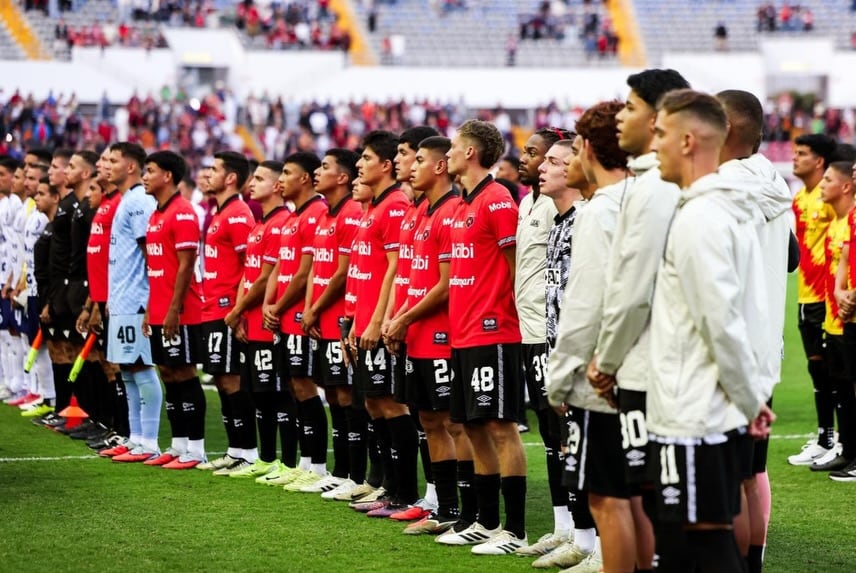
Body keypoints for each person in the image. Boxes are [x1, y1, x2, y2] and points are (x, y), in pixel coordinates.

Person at [647, 88, 771, 572]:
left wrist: (746, 399)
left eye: (661, 133)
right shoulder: (713, 208)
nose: (653, 145)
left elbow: (721, 320)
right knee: (694, 540)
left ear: (689, 141)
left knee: (697, 541)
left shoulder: (703, 217)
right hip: (697, 404)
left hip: (693, 409)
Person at [586, 68, 689, 573]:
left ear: (657, 117)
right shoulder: (664, 187)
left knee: (661, 503)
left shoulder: (651, 191)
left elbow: (631, 291)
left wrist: (605, 361)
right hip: (661, 366)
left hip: (649, 370)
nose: (622, 115)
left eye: (629, 106)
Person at [546, 101, 634, 573]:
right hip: (638, 369)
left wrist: (561, 377)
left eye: (571, 150)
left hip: (603, 375)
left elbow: (586, 303)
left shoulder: (598, 213)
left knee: (609, 497)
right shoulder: (642, 200)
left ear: (589, 151)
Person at [436, 119, 528, 554]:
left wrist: (511, 320)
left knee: (501, 426)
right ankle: (485, 522)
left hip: (494, 332)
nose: (448, 154)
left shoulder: (498, 200)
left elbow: (516, 270)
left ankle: (514, 530)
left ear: (471, 152)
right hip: (461, 333)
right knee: (470, 424)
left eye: (454, 147)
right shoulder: (458, 205)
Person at [717, 89, 794, 573]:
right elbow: (790, 259)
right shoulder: (773, 178)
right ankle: (752, 564)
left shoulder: (721, 186)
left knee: (722, 479)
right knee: (753, 472)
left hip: (727, 353)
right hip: (765, 350)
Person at [384, 136, 473, 534]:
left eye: (418, 159)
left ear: (439, 167)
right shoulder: (422, 213)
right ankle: (445, 508)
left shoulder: (452, 210)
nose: (411, 166)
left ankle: (467, 511)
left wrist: (401, 318)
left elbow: (446, 284)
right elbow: (413, 279)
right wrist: (397, 319)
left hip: (442, 336)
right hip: (417, 333)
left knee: (453, 424)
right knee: (429, 421)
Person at [346, 130, 421, 517]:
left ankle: (404, 491)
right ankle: (387, 486)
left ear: (386, 164)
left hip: (378, 323)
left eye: (366, 157)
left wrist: (378, 321)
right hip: (363, 323)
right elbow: (363, 272)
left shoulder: (393, 206)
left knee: (391, 405)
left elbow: (394, 268)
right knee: (374, 404)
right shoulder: (375, 207)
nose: (359, 164)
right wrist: (353, 324)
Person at [513, 127, 573, 558]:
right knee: (551, 435)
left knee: (566, 433)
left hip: (553, 333)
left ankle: (584, 534)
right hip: (532, 330)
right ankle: (563, 526)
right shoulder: (528, 201)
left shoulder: (567, 208)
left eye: (539, 154)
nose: (528, 159)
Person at [263, 152, 330, 492]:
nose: (280, 180)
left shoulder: (316, 213)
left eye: (287, 173)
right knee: (293, 386)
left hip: (298, 316)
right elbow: (279, 267)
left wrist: (278, 307)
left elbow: (305, 273)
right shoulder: (292, 218)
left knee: (305, 386)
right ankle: (304, 463)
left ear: (304, 178)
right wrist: (269, 304)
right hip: (284, 317)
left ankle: (316, 466)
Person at [299, 148, 364, 498]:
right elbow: (315, 270)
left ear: (342, 177)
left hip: (341, 319)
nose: (316, 173)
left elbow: (342, 272)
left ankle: (355, 474)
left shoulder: (351, 212)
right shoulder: (325, 215)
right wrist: (310, 309)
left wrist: (316, 307)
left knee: (348, 396)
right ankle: (340, 472)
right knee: (335, 395)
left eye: (324, 167)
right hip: (323, 320)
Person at [222, 160, 292, 478]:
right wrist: (238, 314)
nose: (253, 183)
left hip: (267, 323)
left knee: (274, 394)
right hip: (249, 320)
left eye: (261, 178)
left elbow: (266, 278)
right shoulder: (260, 225)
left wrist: (238, 311)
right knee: (256, 393)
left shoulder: (281, 224)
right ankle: (263, 459)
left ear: (278, 186)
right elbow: (247, 276)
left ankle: (286, 462)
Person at [140, 150, 207, 469]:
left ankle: (196, 448)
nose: (144, 176)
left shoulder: (182, 212)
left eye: (149, 170)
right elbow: (157, 268)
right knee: (167, 371)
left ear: (167, 176)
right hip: (160, 309)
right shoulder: (156, 214)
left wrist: (173, 309)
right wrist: (150, 310)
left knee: (184, 371)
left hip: (182, 311)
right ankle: (179, 444)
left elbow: (185, 265)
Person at [195, 151, 256, 472]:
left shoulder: (237, 215)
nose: (208, 174)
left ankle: (247, 451)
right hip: (211, 306)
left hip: (228, 310)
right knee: (221, 378)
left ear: (231, 177)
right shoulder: (220, 213)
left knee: (231, 379)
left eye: (215, 169)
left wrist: (241, 310)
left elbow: (252, 266)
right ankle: (236, 450)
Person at [101, 142, 162, 463]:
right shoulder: (127, 199)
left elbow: (149, 252)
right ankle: (135, 438)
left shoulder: (139, 200)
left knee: (141, 367)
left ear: (131, 167)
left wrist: (150, 302)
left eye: (113, 160)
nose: (106, 165)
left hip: (137, 299)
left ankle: (149, 441)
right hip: (122, 298)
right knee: (126, 370)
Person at [788, 133, 839, 466]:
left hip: (826, 297)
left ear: (818, 161)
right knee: (817, 370)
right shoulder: (800, 198)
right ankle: (825, 436)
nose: (794, 158)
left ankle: (839, 440)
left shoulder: (831, 199)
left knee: (836, 372)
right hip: (805, 294)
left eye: (802, 153)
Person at [813, 161, 856, 474]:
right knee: (844, 386)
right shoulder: (851, 217)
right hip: (843, 315)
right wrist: (842, 292)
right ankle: (849, 449)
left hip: (847, 311)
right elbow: (845, 257)